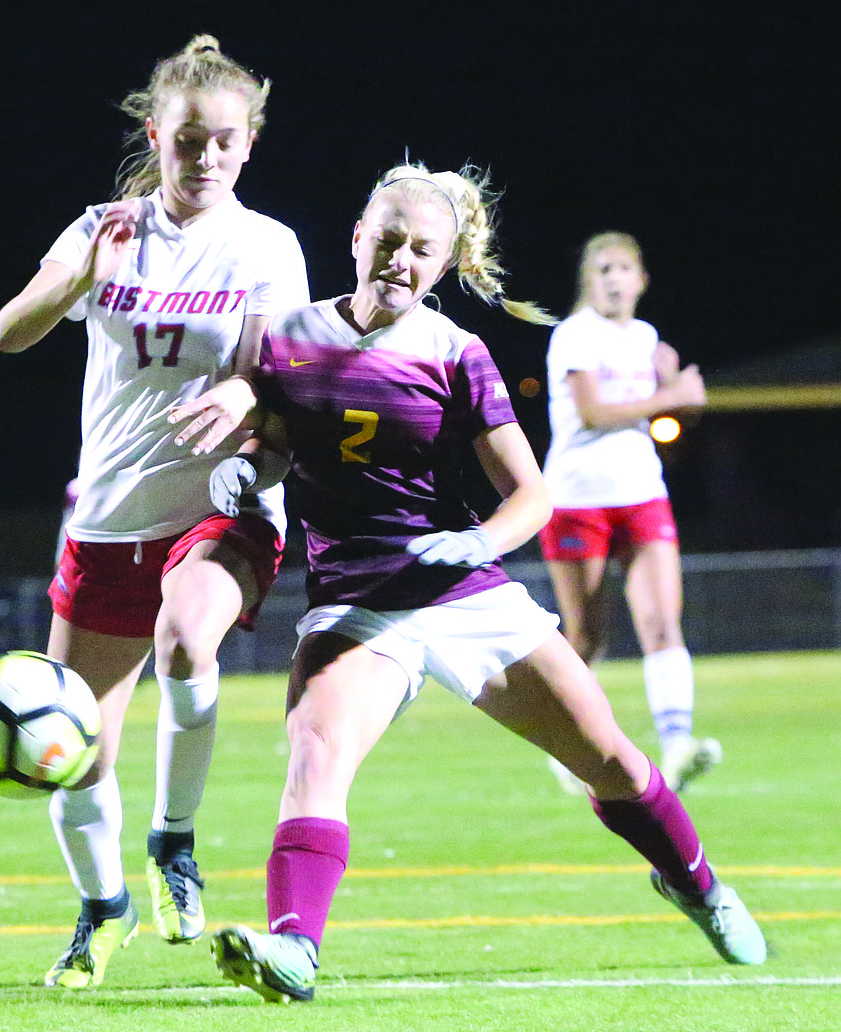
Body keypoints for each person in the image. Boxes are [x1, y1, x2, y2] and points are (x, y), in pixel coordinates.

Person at [202, 164, 766, 1004]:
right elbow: (281, 438)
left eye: (421, 249)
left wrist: (473, 543)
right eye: (387, 239)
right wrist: (247, 474)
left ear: (442, 263)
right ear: (357, 237)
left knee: (607, 754)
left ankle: (697, 883)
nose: (399, 258)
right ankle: (294, 950)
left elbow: (532, 496)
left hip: (463, 592)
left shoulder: (454, 351)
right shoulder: (287, 334)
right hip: (355, 602)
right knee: (315, 753)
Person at [0, 35, 309, 989]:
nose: (205, 157)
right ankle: (103, 910)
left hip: (224, 500)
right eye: (188, 140)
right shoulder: (103, 226)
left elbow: (276, 379)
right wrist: (81, 270)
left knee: (186, 639)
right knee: (71, 749)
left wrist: (247, 403)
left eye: (224, 141)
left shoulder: (267, 245)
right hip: (108, 516)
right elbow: (9, 332)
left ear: (248, 144)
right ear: (154, 133)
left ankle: (174, 840)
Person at [538, 232, 718, 796]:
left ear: (642, 279)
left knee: (662, 622)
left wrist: (673, 388)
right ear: (588, 283)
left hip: (642, 492)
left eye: (624, 269)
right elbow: (591, 413)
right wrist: (670, 395)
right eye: (603, 270)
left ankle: (679, 744)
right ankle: (564, 746)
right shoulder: (573, 335)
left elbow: (657, 415)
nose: (614, 279)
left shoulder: (646, 338)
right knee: (587, 636)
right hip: (575, 499)